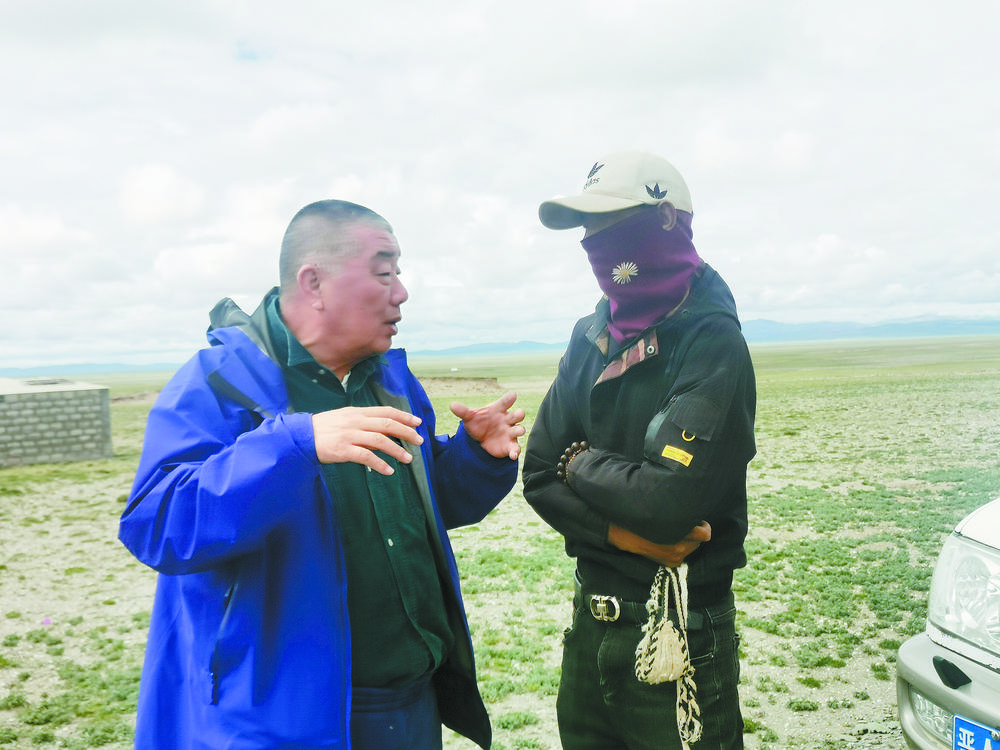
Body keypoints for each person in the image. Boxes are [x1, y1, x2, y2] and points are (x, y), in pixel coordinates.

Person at [119, 199, 525, 750]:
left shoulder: (388, 383)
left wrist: (476, 457)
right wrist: (294, 446)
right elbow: (157, 524)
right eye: (383, 273)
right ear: (313, 283)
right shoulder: (220, 384)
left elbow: (426, 506)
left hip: (410, 705)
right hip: (283, 724)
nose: (402, 293)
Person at [522, 152, 756, 749]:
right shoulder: (589, 335)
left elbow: (667, 503)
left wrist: (579, 463)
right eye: (588, 229)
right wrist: (626, 538)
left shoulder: (712, 341)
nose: (596, 242)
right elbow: (537, 476)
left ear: (667, 219)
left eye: (611, 224)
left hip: (680, 629)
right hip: (590, 625)